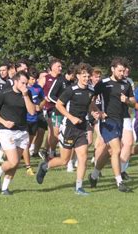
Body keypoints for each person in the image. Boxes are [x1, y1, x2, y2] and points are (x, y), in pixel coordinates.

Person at [36, 63, 96, 196]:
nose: (86, 78)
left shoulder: (91, 91)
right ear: (78, 76)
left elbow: (91, 105)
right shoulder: (71, 90)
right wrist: (71, 117)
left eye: (88, 76)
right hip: (69, 127)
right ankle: (45, 166)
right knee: (64, 160)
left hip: (82, 128)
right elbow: (58, 105)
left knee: (83, 157)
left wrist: (96, 112)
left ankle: (79, 187)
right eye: (84, 76)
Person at [89, 57, 135, 193]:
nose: (122, 73)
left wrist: (127, 100)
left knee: (108, 152)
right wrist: (96, 111)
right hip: (106, 121)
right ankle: (119, 181)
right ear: (112, 69)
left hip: (120, 121)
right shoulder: (103, 83)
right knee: (116, 150)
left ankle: (94, 175)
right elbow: (90, 100)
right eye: (119, 70)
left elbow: (133, 101)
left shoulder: (126, 84)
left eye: (123, 71)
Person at [0, 71, 36, 195]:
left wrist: (26, 96)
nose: (25, 86)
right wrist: (3, 122)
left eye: (26, 83)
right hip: (6, 131)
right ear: (15, 81)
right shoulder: (4, 93)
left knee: (15, 163)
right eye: (22, 83)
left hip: (22, 131)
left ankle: (5, 188)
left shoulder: (27, 93)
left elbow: (32, 112)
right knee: (13, 161)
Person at [25, 68, 46, 175]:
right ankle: (28, 166)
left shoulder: (38, 88)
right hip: (24, 118)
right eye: (32, 79)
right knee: (24, 141)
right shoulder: (23, 88)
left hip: (34, 118)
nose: (33, 81)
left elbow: (44, 99)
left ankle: (26, 157)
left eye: (35, 79)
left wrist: (40, 106)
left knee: (28, 142)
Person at [40, 58, 63, 160]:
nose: (60, 68)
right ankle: (48, 152)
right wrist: (43, 98)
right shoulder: (46, 78)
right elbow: (36, 90)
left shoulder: (61, 79)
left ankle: (46, 150)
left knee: (54, 131)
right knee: (53, 130)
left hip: (59, 108)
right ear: (52, 67)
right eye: (58, 66)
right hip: (48, 108)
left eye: (61, 66)